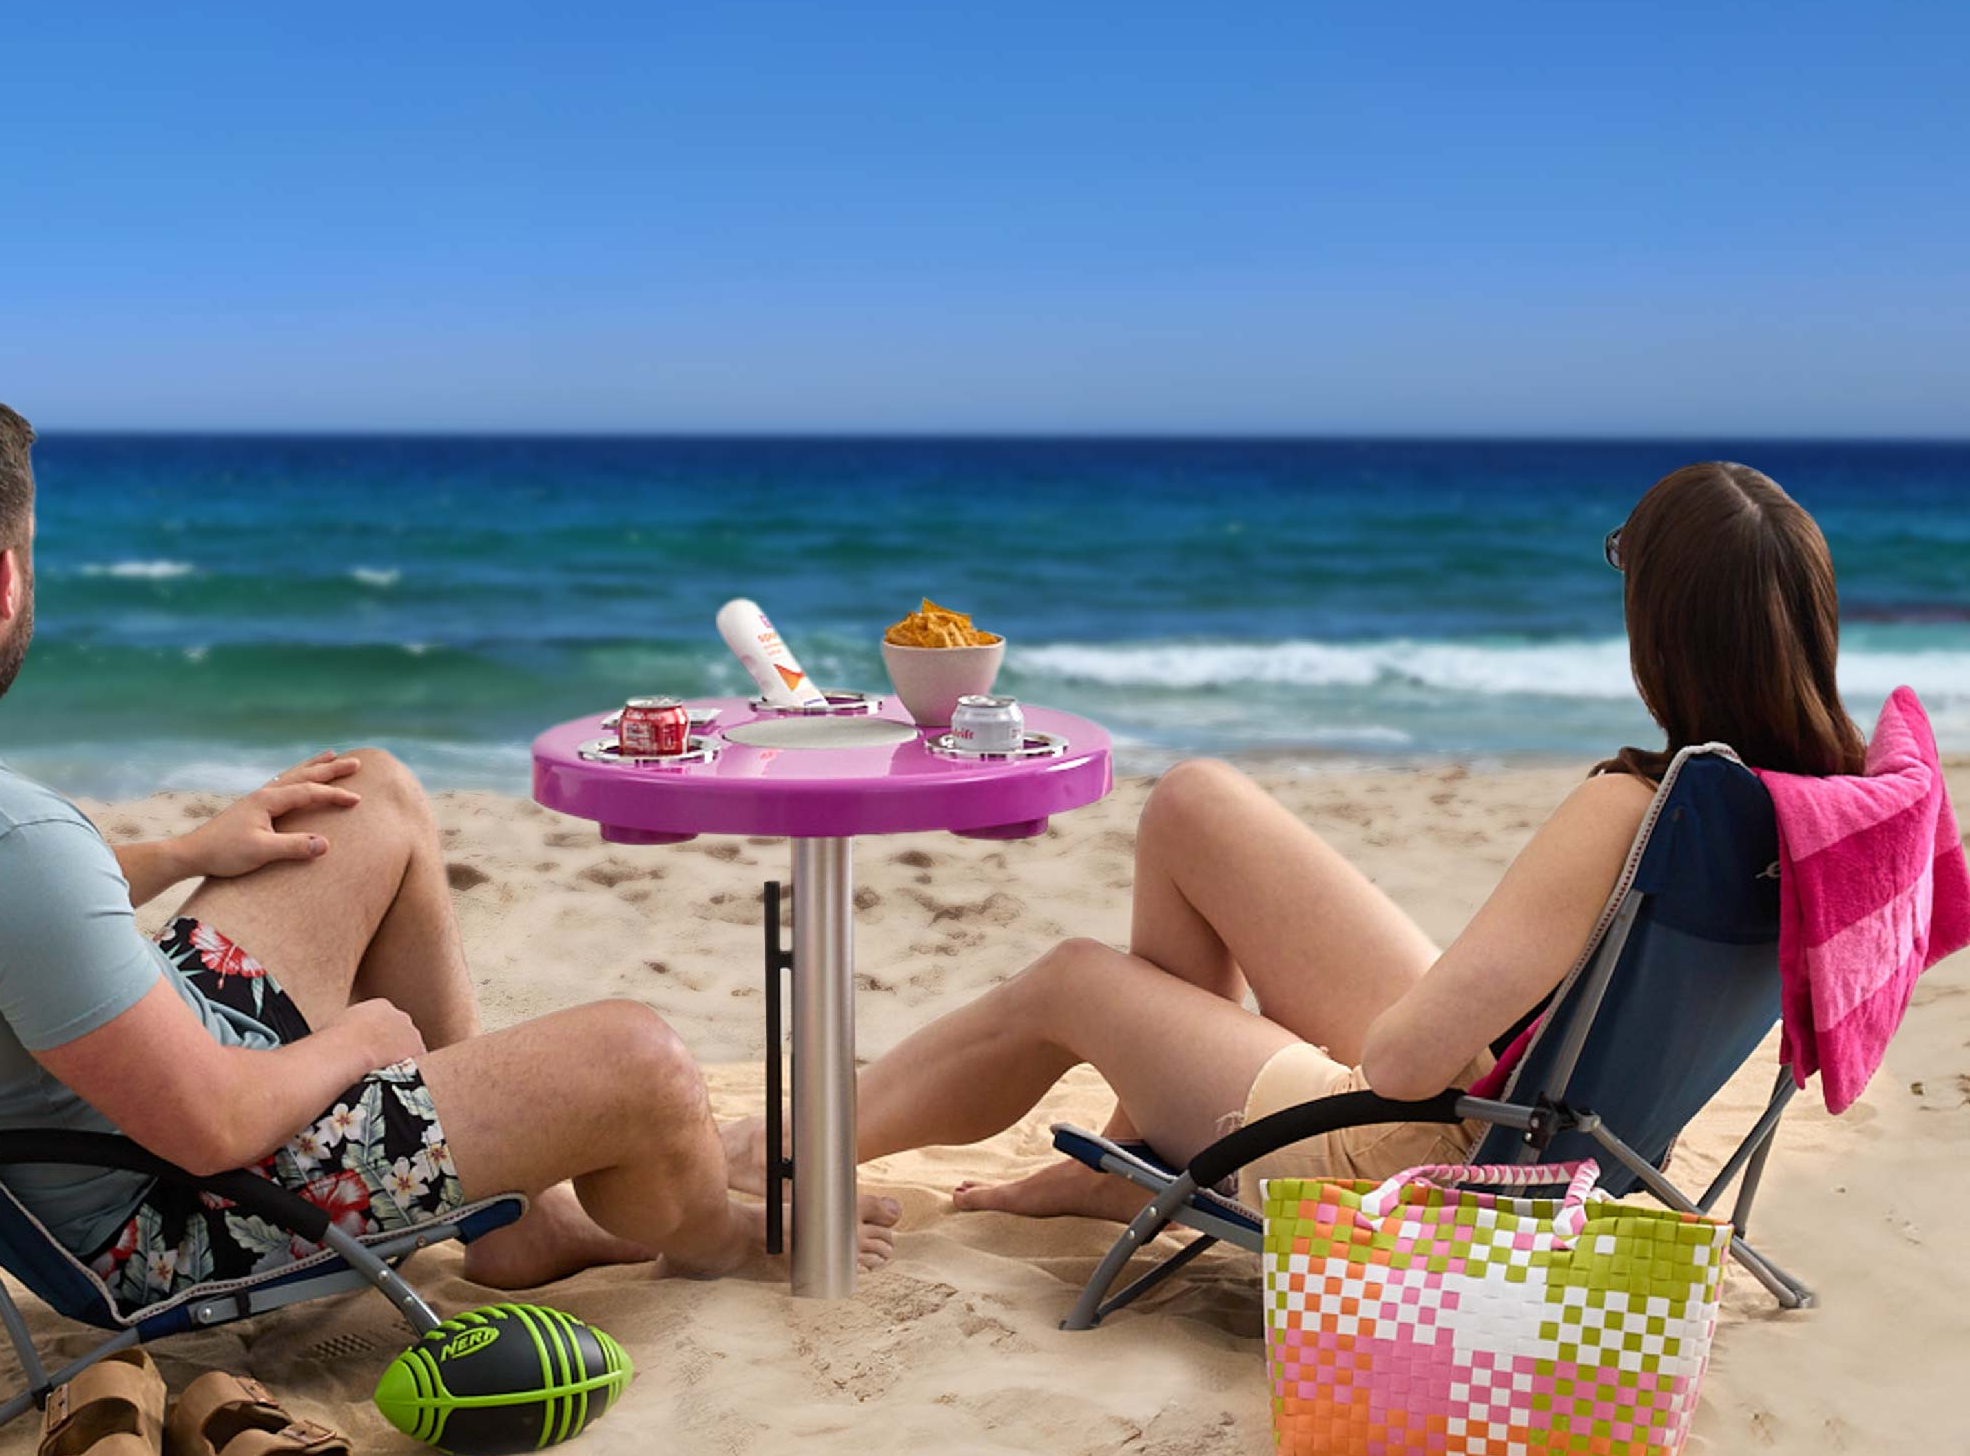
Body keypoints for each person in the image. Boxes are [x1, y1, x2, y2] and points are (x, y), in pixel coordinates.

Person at [0, 392, 897, 1307]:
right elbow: (214, 1127)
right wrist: (358, 1043)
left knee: (364, 794)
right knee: (639, 1060)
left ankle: (513, 1220)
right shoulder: (7, 850)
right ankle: (723, 1237)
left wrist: (194, 846)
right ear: (6, 577)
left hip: (110, 1075)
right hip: (166, 1211)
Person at [728, 461, 1865, 1220]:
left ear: (1659, 627)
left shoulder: (1635, 807)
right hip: (1548, 1120)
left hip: (1429, 1166)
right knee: (1195, 804)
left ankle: (782, 1161)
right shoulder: (1817, 806)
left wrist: (1456, 1033)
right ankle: (1149, 1150)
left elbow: (1407, 1066)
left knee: (1074, 981)